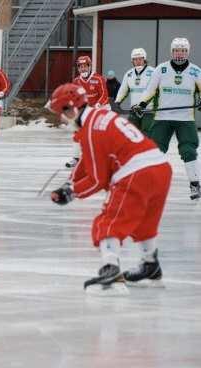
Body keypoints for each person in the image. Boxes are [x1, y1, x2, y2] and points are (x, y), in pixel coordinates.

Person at [46, 83, 172, 295]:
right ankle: (151, 266)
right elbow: (89, 159)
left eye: (61, 113)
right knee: (143, 223)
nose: (61, 119)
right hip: (160, 168)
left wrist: (71, 192)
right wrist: (71, 181)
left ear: (71, 109)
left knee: (108, 222)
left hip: (136, 172)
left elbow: (98, 180)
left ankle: (111, 272)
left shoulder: (91, 130)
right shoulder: (99, 117)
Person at [132, 37, 201, 200]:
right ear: (172, 51)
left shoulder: (195, 71)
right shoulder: (161, 69)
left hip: (185, 119)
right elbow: (150, 90)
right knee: (155, 150)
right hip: (163, 117)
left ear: (188, 52)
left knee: (188, 151)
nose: (180, 54)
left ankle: (195, 185)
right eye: (177, 50)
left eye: (183, 50)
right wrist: (141, 104)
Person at [65, 56, 110, 168]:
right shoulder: (76, 81)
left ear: (89, 66)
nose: (82, 69)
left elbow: (104, 96)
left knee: (99, 134)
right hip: (85, 110)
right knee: (77, 132)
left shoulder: (98, 79)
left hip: (100, 109)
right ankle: (75, 158)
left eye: (85, 66)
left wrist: (97, 106)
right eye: (80, 67)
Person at [114, 48, 156, 135]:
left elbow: (155, 91)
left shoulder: (153, 72)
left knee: (147, 135)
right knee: (130, 133)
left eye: (140, 59)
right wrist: (117, 102)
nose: (138, 61)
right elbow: (123, 90)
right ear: (132, 61)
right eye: (135, 59)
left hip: (149, 111)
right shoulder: (129, 74)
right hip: (134, 110)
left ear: (144, 59)